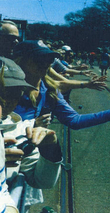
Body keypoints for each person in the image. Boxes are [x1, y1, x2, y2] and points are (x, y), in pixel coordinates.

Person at [12, 40, 110, 129]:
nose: (46, 63)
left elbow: (74, 120)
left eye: (49, 59)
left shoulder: (49, 89)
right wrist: (31, 126)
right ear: (21, 60)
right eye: (38, 59)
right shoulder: (6, 88)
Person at [0, 56, 62, 212]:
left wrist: (50, 148)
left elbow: (42, 181)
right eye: (3, 92)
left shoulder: (20, 131)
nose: (7, 100)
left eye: (16, 92)